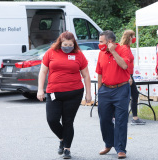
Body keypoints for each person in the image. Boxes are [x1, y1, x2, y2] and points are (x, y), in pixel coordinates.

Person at [37, 31, 91, 159]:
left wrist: (88, 93)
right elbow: (43, 72)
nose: (67, 46)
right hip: (54, 92)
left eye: (70, 44)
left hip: (74, 93)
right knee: (52, 120)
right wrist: (40, 89)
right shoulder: (51, 53)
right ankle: (62, 138)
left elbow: (86, 75)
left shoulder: (78, 54)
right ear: (60, 43)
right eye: (65, 44)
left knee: (68, 121)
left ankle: (67, 148)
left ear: (74, 44)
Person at [96, 30, 130, 159]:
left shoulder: (123, 50)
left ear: (110, 42)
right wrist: (99, 90)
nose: (99, 44)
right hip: (105, 89)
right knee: (104, 118)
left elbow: (125, 65)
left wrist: (113, 51)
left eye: (101, 42)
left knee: (121, 120)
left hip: (121, 89)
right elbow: (99, 72)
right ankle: (108, 144)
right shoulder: (101, 53)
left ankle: (120, 148)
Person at [119, 29, 146, 125]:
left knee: (131, 95)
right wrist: (128, 77)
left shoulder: (127, 47)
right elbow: (125, 63)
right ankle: (133, 117)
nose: (135, 38)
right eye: (134, 36)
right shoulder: (125, 49)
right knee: (131, 95)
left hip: (129, 74)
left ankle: (133, 117)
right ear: (130, 37)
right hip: (127, 75)